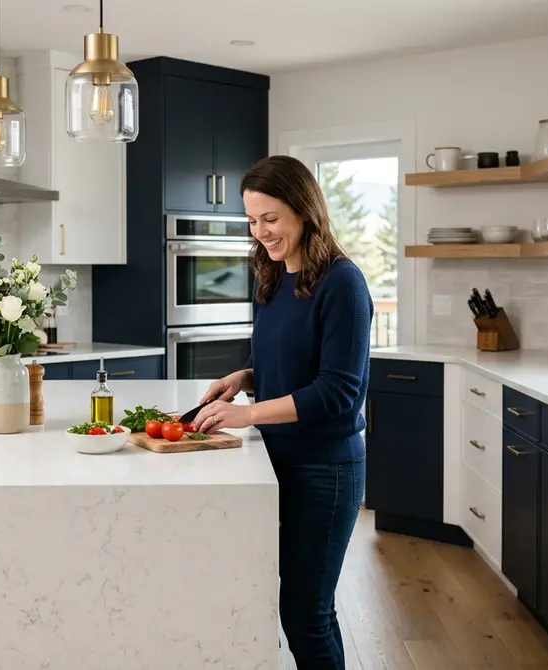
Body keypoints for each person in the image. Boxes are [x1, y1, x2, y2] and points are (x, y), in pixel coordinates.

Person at [192, 154, 373, 669]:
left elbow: (339, 391)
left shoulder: (343, 283)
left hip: (325, 470)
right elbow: (281, 360)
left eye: (270, 218)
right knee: (291, 606)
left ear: (304, 208)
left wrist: (246, 416)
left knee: (307, 615)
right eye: (252, 220)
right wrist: (243, 378)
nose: (261, 232)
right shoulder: (270, 275)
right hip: (276, 463)